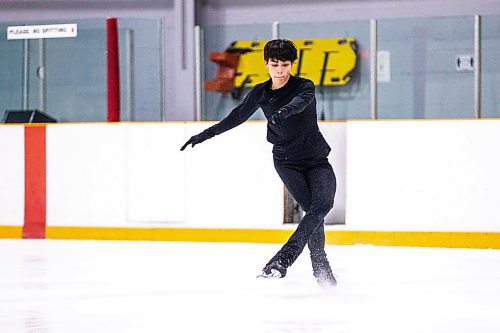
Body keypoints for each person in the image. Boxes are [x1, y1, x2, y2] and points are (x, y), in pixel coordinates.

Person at [181, 39, 337, 286]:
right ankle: (318, 267)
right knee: (313, 212)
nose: (280, 69)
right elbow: (236, 117)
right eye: (274, 64)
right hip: (287, 162)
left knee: (321, 206)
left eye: (285, 64)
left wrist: (284, 111)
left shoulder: (304, 86)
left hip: (317, 160)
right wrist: (204, 135)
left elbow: (301, 103)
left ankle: (290, 259)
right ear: (266, 63)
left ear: (292, 64)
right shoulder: (261, 92)